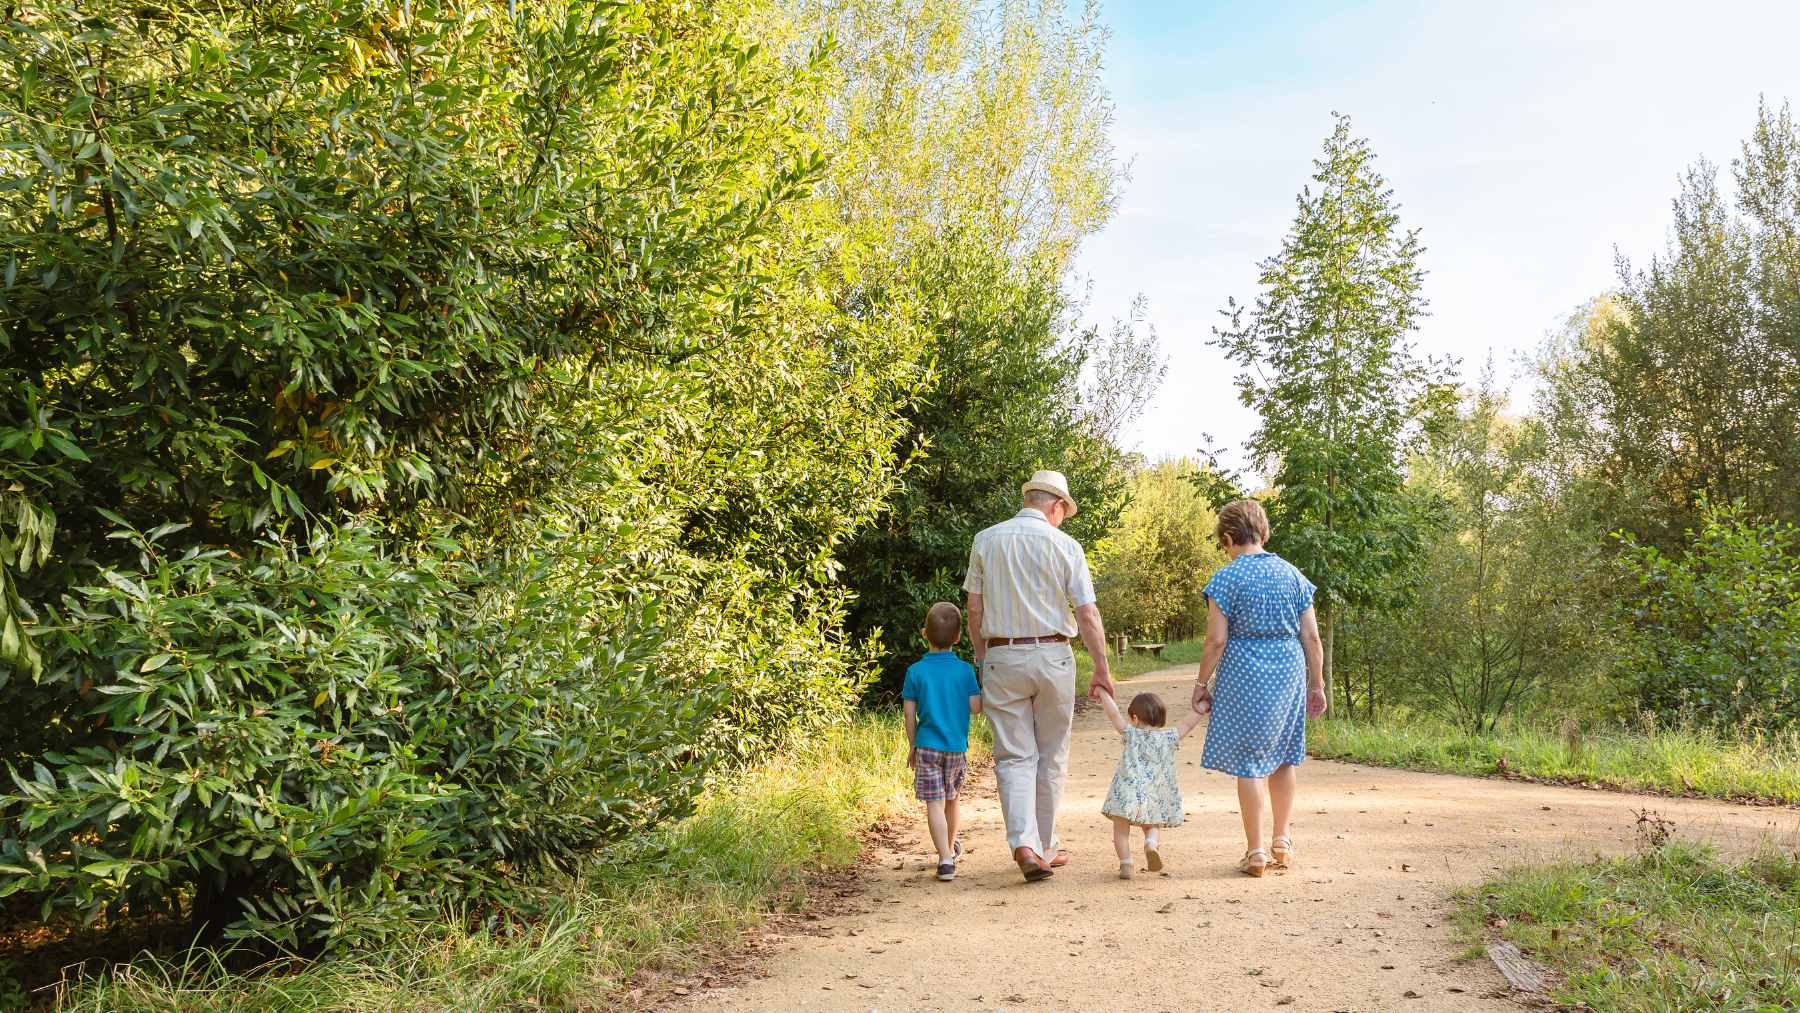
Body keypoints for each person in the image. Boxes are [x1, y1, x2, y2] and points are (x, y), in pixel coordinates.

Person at [964, 469, 1115, 882]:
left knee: (1014, 755)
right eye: (1064, 511)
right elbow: (1087, 612)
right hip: (1053, 656)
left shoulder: (986, 540)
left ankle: (1024, 844)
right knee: (1051, 755)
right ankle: (1045, 845)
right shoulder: (1066, 545)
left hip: (1002, 655)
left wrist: (983, 658)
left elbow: (973, 609)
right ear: (1056, 505)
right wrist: (1101, 667)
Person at [1192, 499, 1327, 877]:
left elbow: (1215, 640)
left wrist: (1202, 684)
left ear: (1229, 538)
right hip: (1288, 668)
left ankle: (1255, 852)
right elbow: (1312, 638)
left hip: (1244, 671)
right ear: (1263, 533)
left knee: (1250, 761)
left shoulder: (1226, 578)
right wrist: (1316, 684)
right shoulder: (1294, 576)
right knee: (1284, 755)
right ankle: (1281, 841)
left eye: (1224, 543)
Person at [902, 601, 983, 882]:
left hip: (926, 746)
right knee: (952, 799)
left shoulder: (915, 672)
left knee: (934, 803)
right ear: (958, 637)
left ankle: (945, 859)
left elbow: (909, 713)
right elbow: (976, 707)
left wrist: (912, 745)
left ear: (925, 633)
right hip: (956, 748)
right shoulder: (964, 671)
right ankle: (949, 848)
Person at [1096, 689, 1204, 879]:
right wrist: (1203, 706)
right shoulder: (1169, 737)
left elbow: (1113, 714)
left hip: (1127, 791)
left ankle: (1126, 864)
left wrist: (1102, 692)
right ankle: (1151, 844)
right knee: (1152, 825)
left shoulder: (1130, 733)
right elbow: (1188, 723)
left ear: (1134, 718)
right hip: (1155, 794)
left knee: (1121, 829)